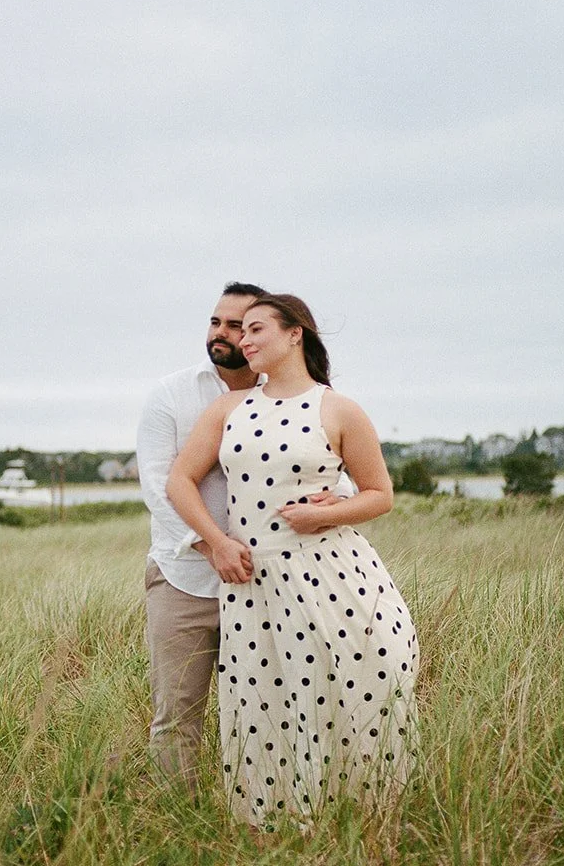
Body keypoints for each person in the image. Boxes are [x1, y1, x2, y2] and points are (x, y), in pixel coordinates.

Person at [167, 294, 419, 827]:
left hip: (332, 576)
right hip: (255, 583)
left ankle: (362, 816)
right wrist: (217, 541)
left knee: (348, 690)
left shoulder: (339, 408)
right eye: (241, 332)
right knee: (266, 705)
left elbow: (379, 494)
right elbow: (179, 481)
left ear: (295, 334)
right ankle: (275, 826)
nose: (244, 340)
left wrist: (328, 515)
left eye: (256, 329)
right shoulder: (228, 409)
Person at [136, 282, 273, 783]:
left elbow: (326, 471)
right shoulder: (171, 394)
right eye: (216, 322)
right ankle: (179, 828)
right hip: (184, 579)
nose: (221, 332)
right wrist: (210, 544)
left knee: (267, 715)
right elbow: (158, 486)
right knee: (176, 717)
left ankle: (258, 816)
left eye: (236, 325)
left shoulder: (285, 395)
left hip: (267, 583)